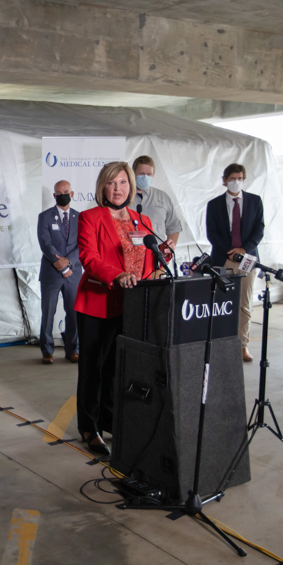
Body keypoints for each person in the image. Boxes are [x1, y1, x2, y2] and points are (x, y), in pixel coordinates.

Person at [74, 161, 160, 456]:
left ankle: (110, 420)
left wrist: (161, 263)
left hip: (132, 306)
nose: (118, 189)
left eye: (123, 182)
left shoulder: (141, 219)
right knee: (93, 368)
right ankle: (89, 426)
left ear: (131, 186)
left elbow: (148, 256)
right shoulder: (90, 217)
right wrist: (117, 275)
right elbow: (89, 257)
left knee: (117, 369)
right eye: (112, 183)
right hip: (97, 305)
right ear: (102, 187)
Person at [205, 163, 264, 362]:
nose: (235, 182)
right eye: (232, 178)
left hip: (247, 259)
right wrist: (230, 252)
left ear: (244, 179)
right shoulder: (214, 204)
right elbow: (211, 233)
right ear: (224, 180)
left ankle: (242, 345)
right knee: (221, 303)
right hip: (223, 258)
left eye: (239, 178)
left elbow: (259, 229)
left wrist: (243, 250)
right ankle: (220, 343)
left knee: (244, 304)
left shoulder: (255, 201)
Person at [37, 180, 81, 364]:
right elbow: (45, 244)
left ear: (72, 194)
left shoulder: (81, 217)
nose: (62, 194)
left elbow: (83, 244)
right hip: (51, 273)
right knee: (48, 312)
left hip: (74, 273)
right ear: (54, 196)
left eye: (65, 191)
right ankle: (47, 351)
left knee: (74, 313)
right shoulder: (45, 216)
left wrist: (68, 262)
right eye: (58, 192)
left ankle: (73, 350)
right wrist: (60, 264)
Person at [129, 155, 182, 247]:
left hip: (156, 254)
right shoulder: (122, 197)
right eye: (141, 173)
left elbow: (174, 226)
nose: (145, 177)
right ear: (133, 173)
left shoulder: (162, 197)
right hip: (129, 254)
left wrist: (169, 249)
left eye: (149, 174)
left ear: (153, 174)